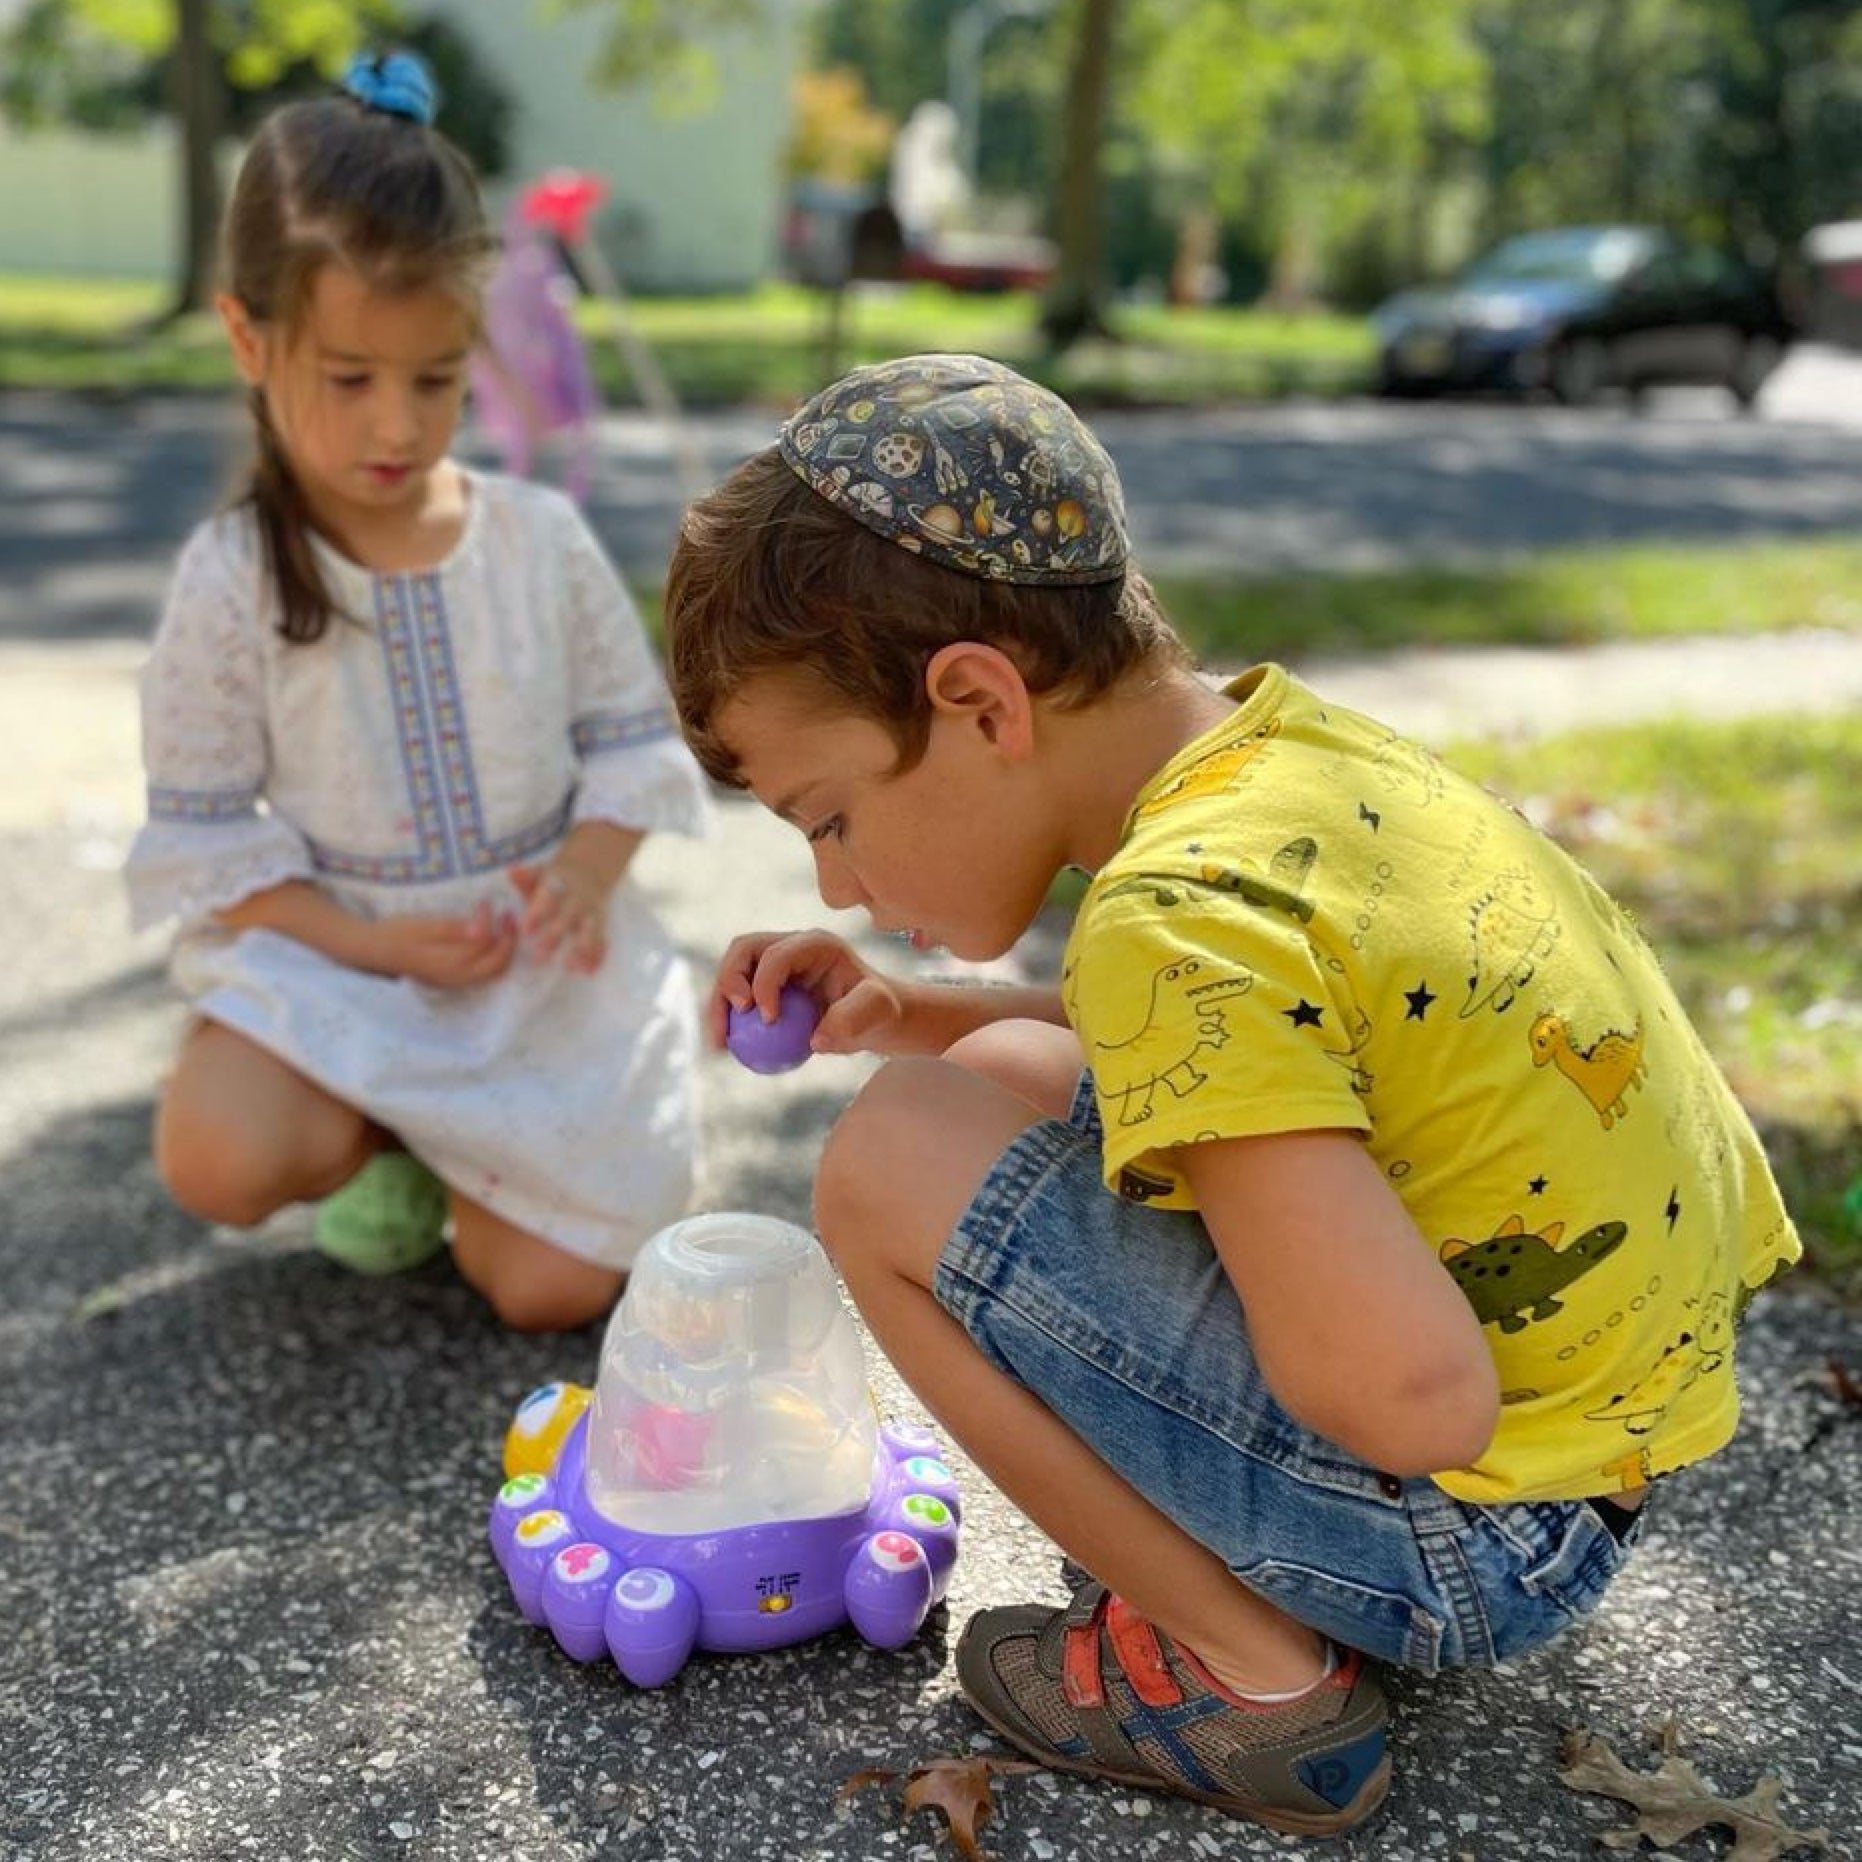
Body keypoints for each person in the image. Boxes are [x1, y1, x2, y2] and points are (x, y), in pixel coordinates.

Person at [661, 354, 1801, 1834]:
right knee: (987, 1075)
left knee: (885, 1164)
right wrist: (916, 1012)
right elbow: (1245, 1041)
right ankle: (1254, 1591)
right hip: (1583, 1469)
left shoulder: (1169, 920)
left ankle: (1250, 1679)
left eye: (829, 817)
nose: (836, 883)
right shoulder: (1289, 758)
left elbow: (1412, 1397)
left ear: (977, 700)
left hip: (1462, 1531)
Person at [125, 52, 709, 1331]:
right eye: (350, 378)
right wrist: (377, 945)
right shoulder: (232, 579)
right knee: (217, 1153)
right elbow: (207, 842)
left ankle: (461, 1165)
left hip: (534, 978)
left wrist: (584, 875)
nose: (396, 425)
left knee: (548, 1292)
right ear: (248, 337)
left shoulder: (538, 543)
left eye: (435, 379)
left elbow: (631, 747)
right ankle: (373, 1134)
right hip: (350, 968)